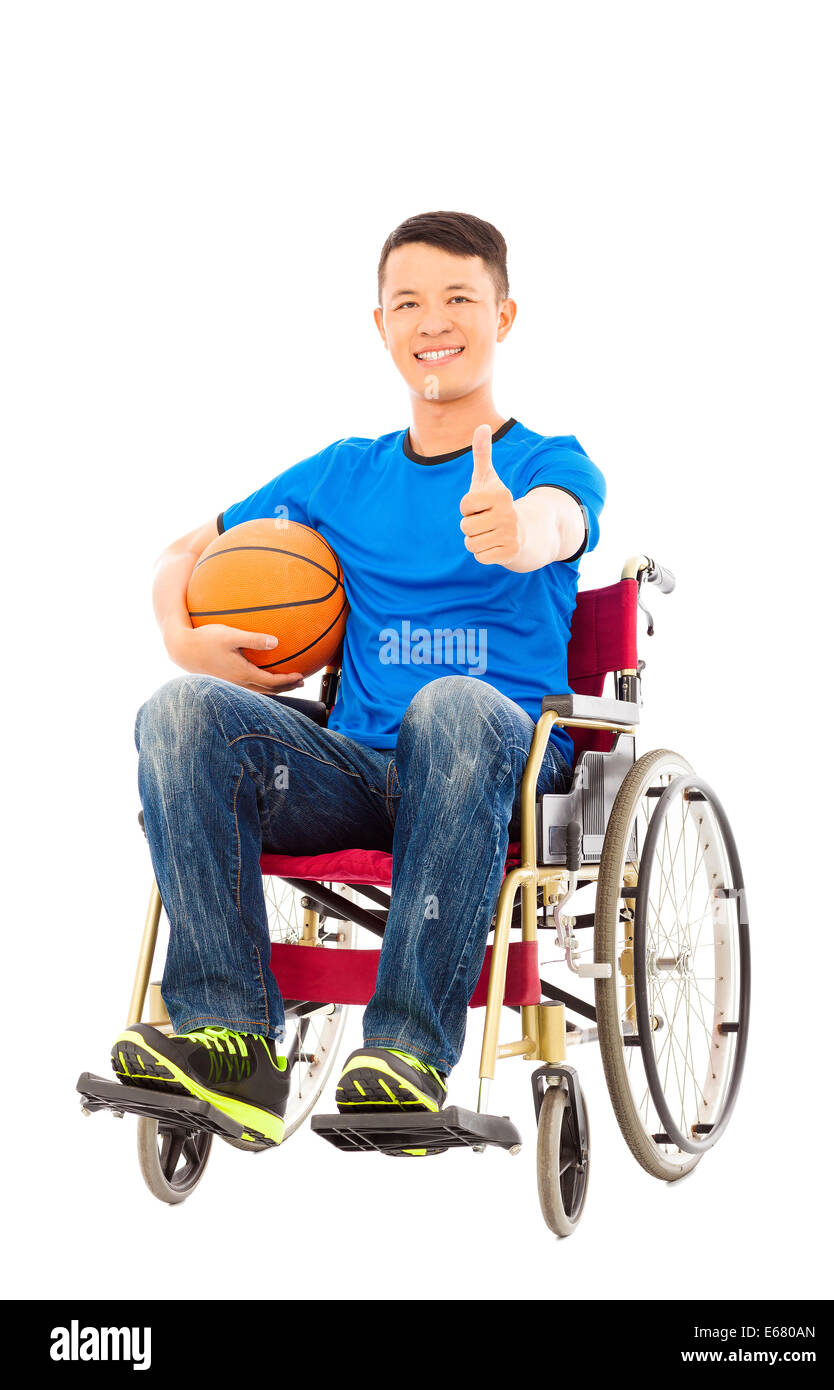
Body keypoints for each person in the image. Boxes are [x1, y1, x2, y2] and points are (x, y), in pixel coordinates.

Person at [111, 210, 606, 1151]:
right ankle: (231, 1040)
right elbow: (185, 549)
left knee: (451, 705)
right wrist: (184, 638)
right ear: (379, 324)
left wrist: (520, 530)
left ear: (504, 316)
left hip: (499, 769)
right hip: (361, 772)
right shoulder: (343, 474)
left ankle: (408, 1053)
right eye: (410, 301)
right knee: (178, 715)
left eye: (460, 297)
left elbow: (559, 525)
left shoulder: (549, 462)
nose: (435, 320)